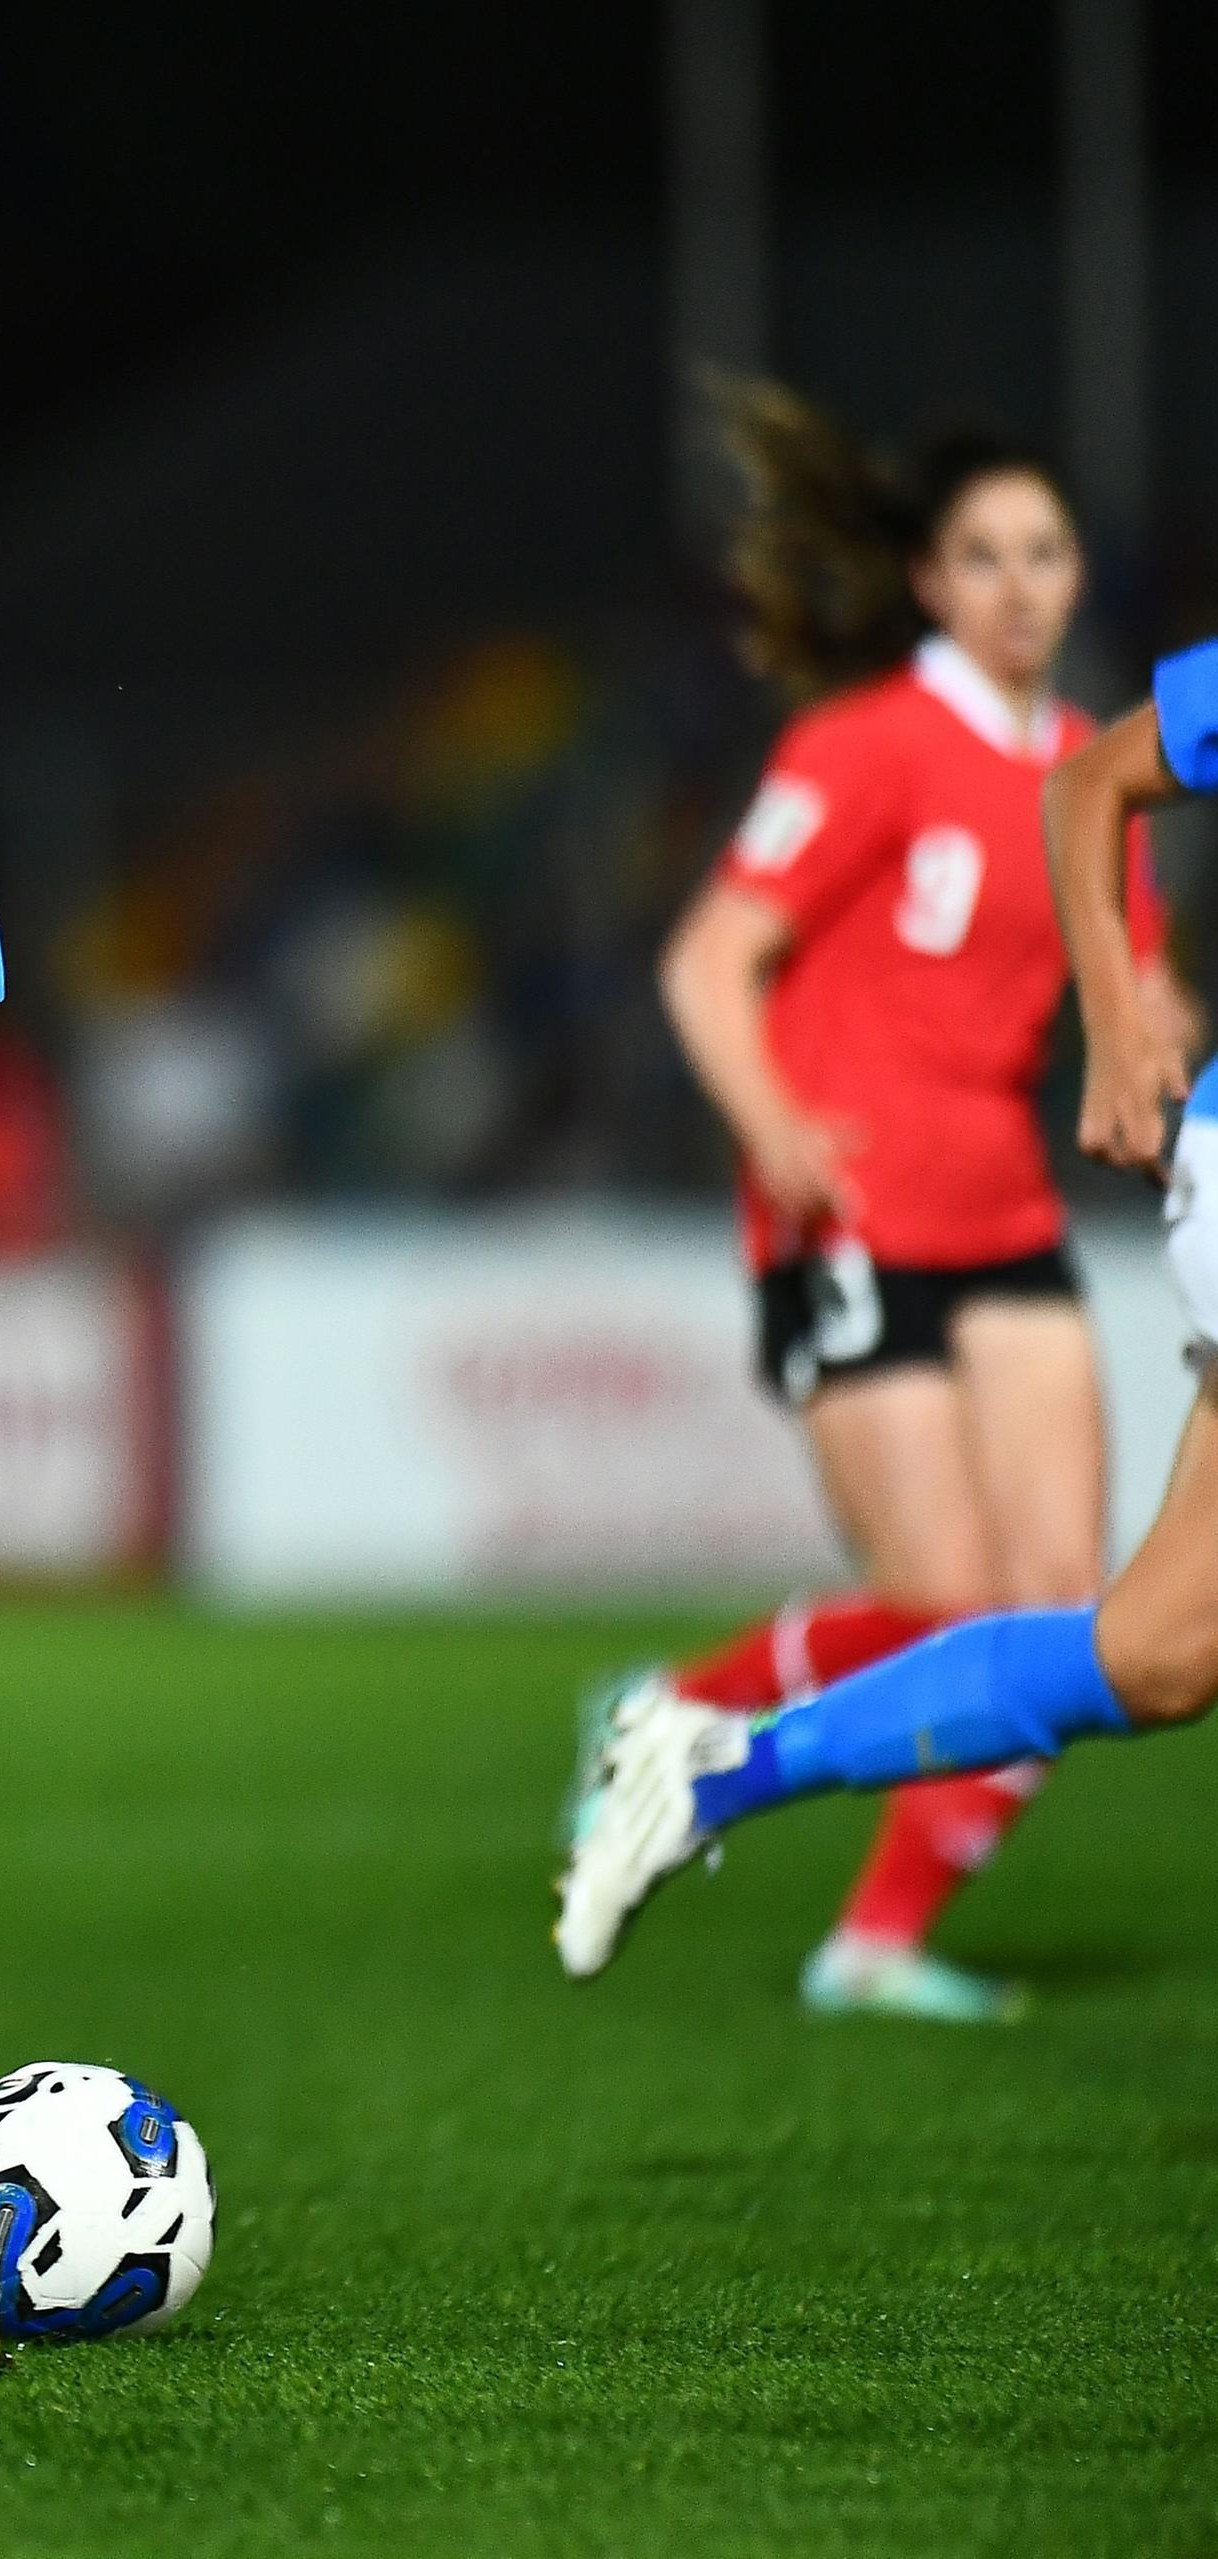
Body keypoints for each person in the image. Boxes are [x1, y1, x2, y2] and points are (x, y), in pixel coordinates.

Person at [606, 384, 1175, 2021]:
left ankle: (876, 1945)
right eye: (981, 556)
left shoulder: (1094, 772)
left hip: (1004, 1214)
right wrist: (776, 1123)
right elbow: (709, 958)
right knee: (942, 1609)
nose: (1018, 586)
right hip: (848, 1217)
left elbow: (1138, 992)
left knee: (1072, 1625)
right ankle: (670, 1716)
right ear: (927, 583)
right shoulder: (862, 746)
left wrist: (1168, 1043)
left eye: (1045, 553)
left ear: (1079, 577)